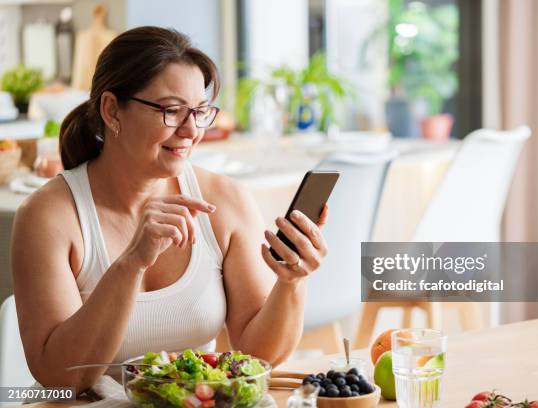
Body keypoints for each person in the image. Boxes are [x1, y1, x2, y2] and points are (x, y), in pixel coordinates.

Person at [10, 26, 328, 392]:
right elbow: (62, 377)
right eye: (172, 111)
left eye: (200, 111)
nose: (192, 130)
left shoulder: (224, 201)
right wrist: (131, 263)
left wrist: (291, 282)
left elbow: (257, 354)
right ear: (112, 110)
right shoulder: (48, 216)